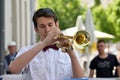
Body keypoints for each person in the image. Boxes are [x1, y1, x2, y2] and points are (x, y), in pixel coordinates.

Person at [8, 8, 84, 80]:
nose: (47, 30)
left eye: (50, 25)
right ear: (36, 29)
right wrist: (44, 43)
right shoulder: (27, 50)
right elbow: (12, 70)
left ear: (57, 25)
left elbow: (80, 79)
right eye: (42, 26)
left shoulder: (70, 51)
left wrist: (72, 54)